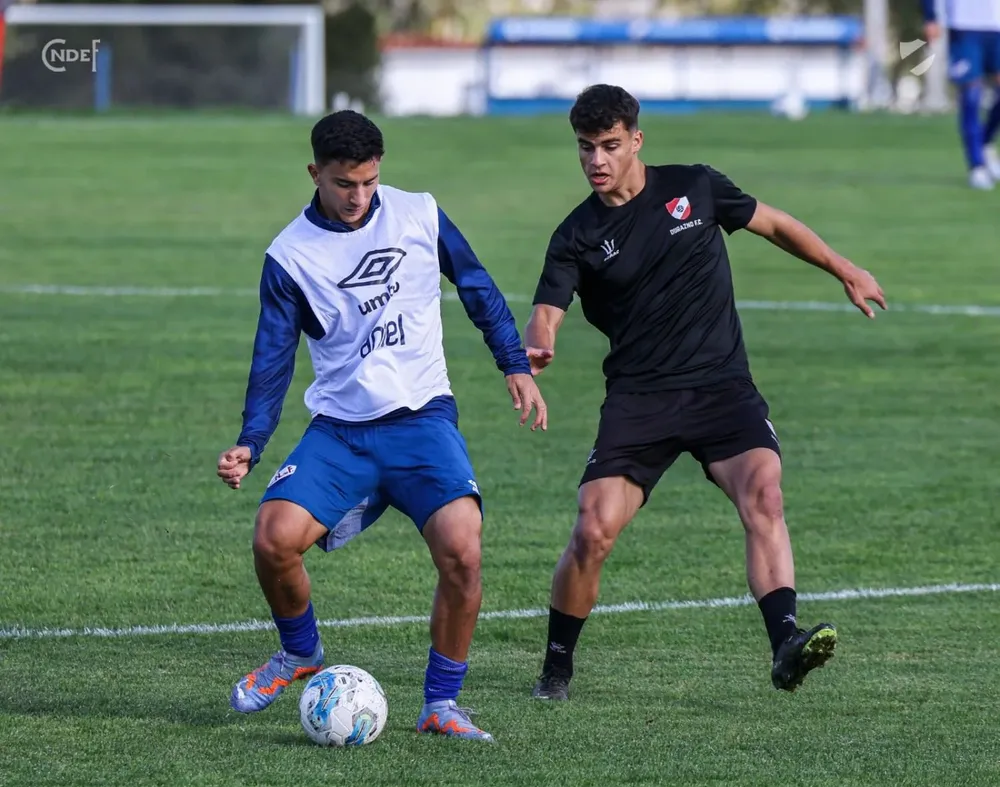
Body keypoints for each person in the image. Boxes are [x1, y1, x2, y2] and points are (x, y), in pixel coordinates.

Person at [524, 84, 886, 701]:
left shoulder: (695, 187)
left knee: (764, 494)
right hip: (641, 399)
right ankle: (557, 665)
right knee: (592, 530)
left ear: (637, 140)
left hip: (722, 387)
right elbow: (546, 309)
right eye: (585, 149)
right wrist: (539, 342)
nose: (597, 161)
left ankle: (785, 643)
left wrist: (844, 269)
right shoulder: (576, 235)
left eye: (610, 146)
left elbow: (774, 224)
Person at [217, 109, 547, 742]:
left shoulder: (418, 212)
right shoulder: (290, 257)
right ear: (315, 173)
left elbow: (476, 284)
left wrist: (514, 363)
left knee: (464, 551)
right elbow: (273, 357)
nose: (359, 197)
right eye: (344, 183)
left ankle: (441, 705)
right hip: (342, 431)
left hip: (424, 421)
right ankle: (299, 654)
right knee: (272, 537)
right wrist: (251, 442)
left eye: (369, 182)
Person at [921, 0, 1000, 189]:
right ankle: (977, 166)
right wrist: (930, 16)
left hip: (996, 24)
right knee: (971, 94)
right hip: (964, 25)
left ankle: (984, 140)